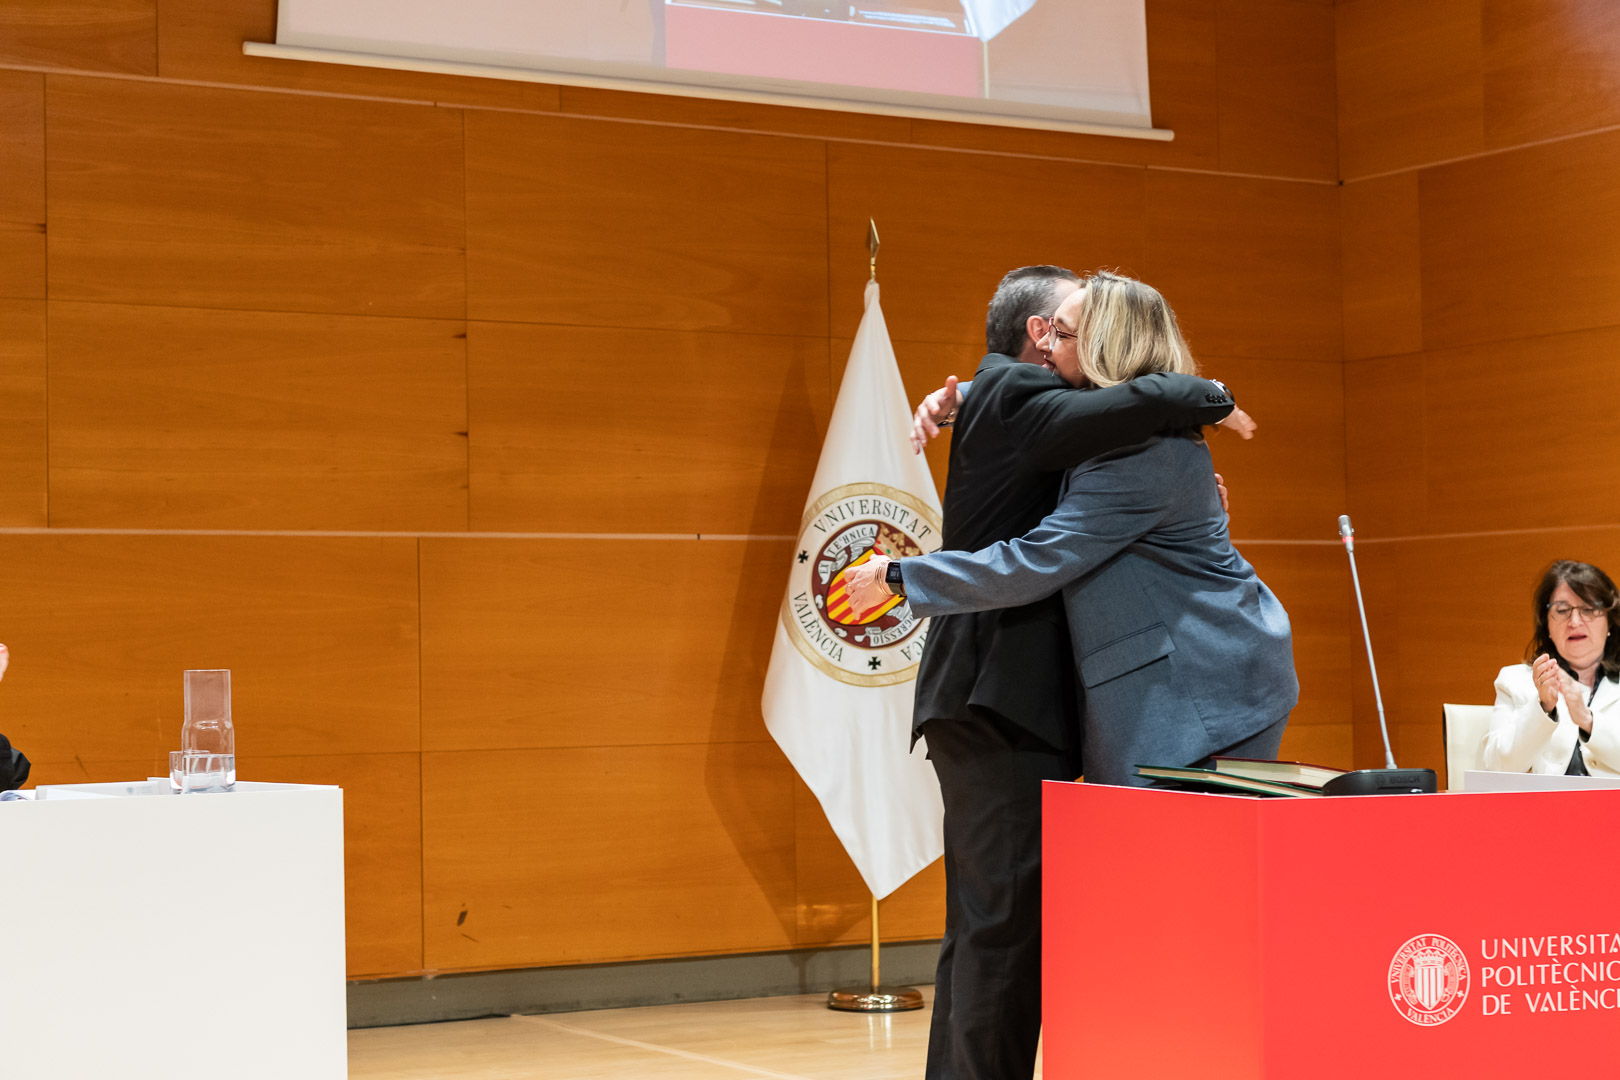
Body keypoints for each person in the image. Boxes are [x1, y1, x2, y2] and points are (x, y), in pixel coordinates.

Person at [871, 266, 1248, 1080]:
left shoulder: (1023, 403)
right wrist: (1207, 395)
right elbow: (1043, 548)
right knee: (1003, 931)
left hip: (1014, 699)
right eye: (1067, 325)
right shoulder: (1015, 390)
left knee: (995, 929)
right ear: (1039, 334)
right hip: (997, 694)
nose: (1073, 339)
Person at [847, 270, 1298, 790]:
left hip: (1205, 689)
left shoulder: (1142, 452)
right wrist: (966, 397)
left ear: (1106, 346)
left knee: (1178, 842)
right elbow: (1048, 404)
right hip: (1174, 676)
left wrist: (898, 575)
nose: (1043, 346)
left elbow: (1037, 561)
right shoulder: (1114, 428)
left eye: (1060, 334)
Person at [1484, 560, 1620, 777]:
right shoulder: (1514, 681)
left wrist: (1588, 720)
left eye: (1588, 609)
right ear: (1546, 624)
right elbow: (1496, 768)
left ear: (1609, 621)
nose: (1575, 622)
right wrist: (1543, 707)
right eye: (1562, 610)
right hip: (1544, 799)